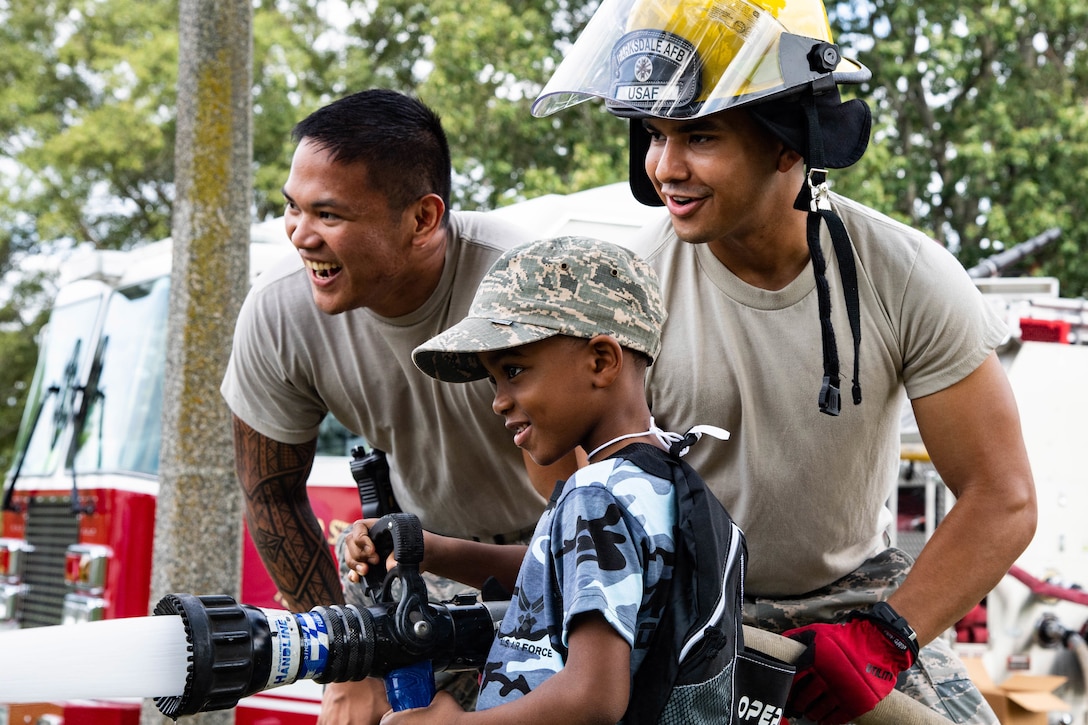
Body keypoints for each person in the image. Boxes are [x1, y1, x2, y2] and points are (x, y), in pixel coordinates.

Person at [529, 0, 1038, 723]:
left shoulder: (907, 275)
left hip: (855, 600)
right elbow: (554, 460)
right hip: (685, 610)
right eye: (653, 135)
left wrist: (885, 637)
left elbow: (1003, 495)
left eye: (698, 136)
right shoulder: (624, 292)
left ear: (789, 142)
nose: (665, 167)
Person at [220, 89, 578, 724]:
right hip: (415, 556)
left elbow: (586, 507)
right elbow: (272, 495)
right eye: (291, 208)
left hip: (555, 556)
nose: (300, 236)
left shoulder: (523, 287)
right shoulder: (278, 310)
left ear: (421, 218)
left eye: (328, 214)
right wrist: (344, 655)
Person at [345, 235, 740, 724]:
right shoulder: (664, 481)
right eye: (494, 380)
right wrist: (430, 550)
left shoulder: (594, 495)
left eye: (515, 370)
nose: (499, 400)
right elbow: (562, 576)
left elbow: (592, 696)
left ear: (601, 361)